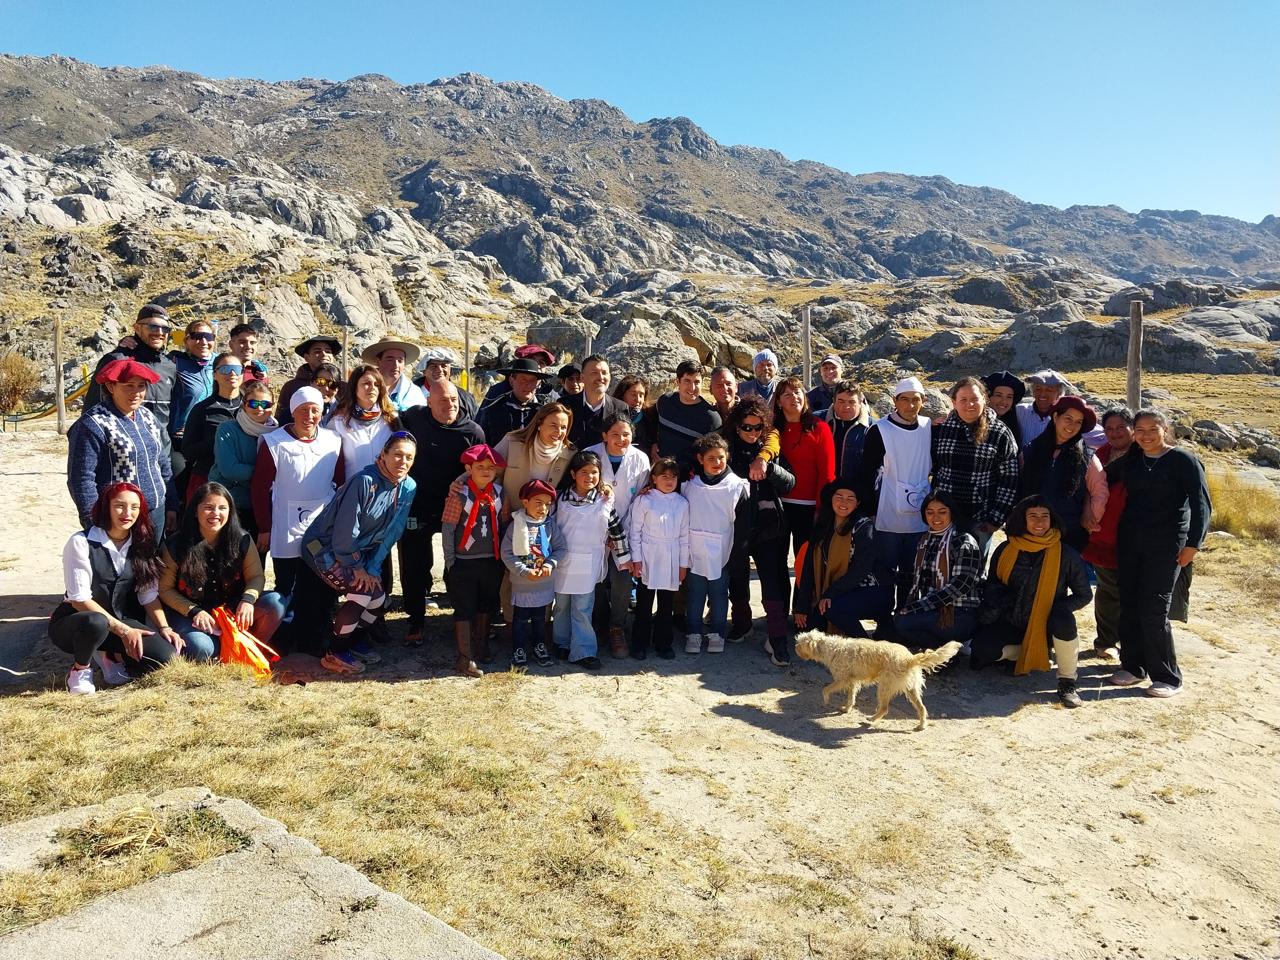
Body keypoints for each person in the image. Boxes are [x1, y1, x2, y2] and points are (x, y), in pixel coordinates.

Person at [1107, 410, 1211, 698]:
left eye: (1153, 429)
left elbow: (1201, 505)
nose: (1146, 436)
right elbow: (1102, 476)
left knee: (1154, 608)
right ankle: (1133, 667)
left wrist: (1193, 545)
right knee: (1129, 604)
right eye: (1140, 430)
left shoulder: (1183, 460)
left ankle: (1167, 677)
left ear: (1165, 429)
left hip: (1167, 545)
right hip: (1130, 542)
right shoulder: (1133, 459)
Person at [295, 432, 418, 674]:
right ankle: (336, 652)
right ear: (383, 454)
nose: (402, 462)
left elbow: (393, 531)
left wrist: (372, 567)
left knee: (378, 598)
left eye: (409, 457)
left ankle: (355, 642)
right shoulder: (363, 481)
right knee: (363, 593)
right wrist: (357, 567)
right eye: (397, 455)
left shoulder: (408, 486)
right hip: (324, 548)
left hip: (359, 553)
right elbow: (345, 531)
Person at [50, 483, 183, 694]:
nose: (127, 513)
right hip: (78, 622)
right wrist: (125, 631)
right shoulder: (81, 542)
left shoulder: (142, 543)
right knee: (96, 622)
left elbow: (147, 595)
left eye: (134, 507)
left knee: (165, 658)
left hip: (119, 620)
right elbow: (79, 600)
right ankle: (80, 670)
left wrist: (164, 628)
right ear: (106, 508)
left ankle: (110, 655)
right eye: (120, 506)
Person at [971, 497, 1093, 708]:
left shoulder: (1066, 554)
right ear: (1022, 520)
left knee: (1063, 619)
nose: (1039, 522)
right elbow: (992, 585)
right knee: (981, 653)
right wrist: (1002, 602)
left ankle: (1067, 682)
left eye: (1045, 516)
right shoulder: (1006, 549)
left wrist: (1055, 609)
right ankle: (1032, 653)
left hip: (1047, 624)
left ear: (1052, 520)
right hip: (1012, 619)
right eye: (1033, 516)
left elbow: (1084, 595)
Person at [158, 482, 287, 662]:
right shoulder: (175, 545)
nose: (216, 513)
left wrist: (247, 600)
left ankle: (248, 648)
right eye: (208, 508)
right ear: (195, 511)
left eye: (222, 508)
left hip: (231, 608)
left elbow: (256, 576)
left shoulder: (242, 539)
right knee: (201, 648)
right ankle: (220, 649)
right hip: (191, 613)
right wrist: (194, 611)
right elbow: (164, 589)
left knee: (275, 603)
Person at [399, 381, 486, 643]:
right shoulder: (414, 418)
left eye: (454, 400)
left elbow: (481, 468)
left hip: (456, 505)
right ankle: (415, 620)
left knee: (458, 563)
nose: (450, 405)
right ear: (429, 402)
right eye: (443, 400)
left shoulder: (472, 431)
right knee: (414, 563)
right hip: (418, 504)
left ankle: (462, 618)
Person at [68, 358, 177, 540]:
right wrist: (94, 522)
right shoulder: (93, 424)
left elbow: (162, 463)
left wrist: (172, 504)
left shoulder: (148, 417)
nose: (136, 393)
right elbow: (81, 478)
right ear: (111, 387)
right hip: (117, 519)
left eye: (141, 386)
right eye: (128, 386)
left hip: (156, 512)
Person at [251, 386, 344, 598]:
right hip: (286, 524)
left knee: (319, 582)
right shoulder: (274, 443)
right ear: (293, 411)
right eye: (303, 409)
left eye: (315, 410)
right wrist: (264, 527)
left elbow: (340, 483)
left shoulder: (333, 440)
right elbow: (259, 489)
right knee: (287, 583)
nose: (309, 416)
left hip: (321, 523)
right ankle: (286, 616)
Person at [725, 397, 795, 653]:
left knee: (771, 578)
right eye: (747, 427)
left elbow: (790, 483)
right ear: (737, 426)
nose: (752, 432)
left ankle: (777, 635)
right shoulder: (727, 451)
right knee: (737, 576)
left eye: (758, 427)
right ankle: (742, 623)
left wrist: (770, 469)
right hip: (737, 526)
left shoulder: (769, 450)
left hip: (768, 526)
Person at [552, 450, 631, 670]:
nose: (589, 477)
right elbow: (546, 527)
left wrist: (625, 559)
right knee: (561, 605)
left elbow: (617, 531)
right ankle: (561, 642)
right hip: (562, 562)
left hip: (588, 562)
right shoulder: (559, 499)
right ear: (573, 474)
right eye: (584, 472)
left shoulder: (604, 501)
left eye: (594, 472)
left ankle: (584, 650)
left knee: (583, 608)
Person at [930, 376, 1020, 562]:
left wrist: (995, 519)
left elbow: (1009, 480)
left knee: (973, 568)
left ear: (985, 399)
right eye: (963, 399)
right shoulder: (940, 429)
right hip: (944, 515)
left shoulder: (1000, 433)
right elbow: (932, 468)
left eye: (974, 399)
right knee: (940, 565)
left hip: (980, 518)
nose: (969, 404)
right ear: (954, 402)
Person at [793, 481, 892, 639]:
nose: (843, 502)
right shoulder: (823, 526)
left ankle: (865, 646)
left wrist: (830, 594)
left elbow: (860, 570)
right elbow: (809, 567)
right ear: (831, 499)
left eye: (850, 498)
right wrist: (802, 606)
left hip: (872, 590)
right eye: (839, 497)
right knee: (808, 626)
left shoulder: (863, 527)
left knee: (831, 608)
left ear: (858, 503)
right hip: (839, 590)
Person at [588, 413, 651, 656]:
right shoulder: (590, 454)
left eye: (626, 434)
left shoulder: (640, 459)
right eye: (615, 434)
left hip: (625, 528)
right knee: (595, 578)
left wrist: (618, 534)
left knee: (622, 580)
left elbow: (640, 498)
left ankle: (617, 627)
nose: (621, 439)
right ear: (604, 435)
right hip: (593, 529)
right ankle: (600, 623)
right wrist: (603, 532)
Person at [682, 434, 750, 657]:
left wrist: (739, 555)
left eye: (721, 457)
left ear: (727, 456)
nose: (717, 462)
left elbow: (742, 526)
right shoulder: (690, 486)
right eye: (711, 458)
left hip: (722, 552)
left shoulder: (737, 486)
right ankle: (693, 632)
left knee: (719, 594)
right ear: (700, 459)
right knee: (695, 593)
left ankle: (717, 633)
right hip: (695, 551)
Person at [443, 444, 508, 676]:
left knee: (487, 603)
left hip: (491, 559)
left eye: (491, 467)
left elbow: (504, 525)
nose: (486, 471)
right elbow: (448, 528)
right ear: (469, 469)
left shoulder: (500, 493)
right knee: (464, 607)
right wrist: (450, 561)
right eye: (480, 467)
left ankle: (482, 646)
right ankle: (464, 657)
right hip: (464, 561)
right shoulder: (459, 494)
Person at [85, 304, 179, 458]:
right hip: (122, 456)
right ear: (137, 328)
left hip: (160, 453)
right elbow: (92, 409)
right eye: (153, 326)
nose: (160, 332)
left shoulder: (169, 366)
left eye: (165, 328)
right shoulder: (116, 361)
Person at [892, 492, 982, 651]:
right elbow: (917, 577)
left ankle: (944, 655)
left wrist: (916, 608)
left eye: (942, 512)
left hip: (960, 611)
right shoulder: (926, 539)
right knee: (893, 627)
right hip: (934, 608)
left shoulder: (964, 542)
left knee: (903, 623)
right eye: (930, 512)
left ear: (952, 513)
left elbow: (959, 587)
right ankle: (940, 651)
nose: (936, 517)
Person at [1019, 396, 1107, 551]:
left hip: (1070, 535)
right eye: (1068, 418)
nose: (1072, 426)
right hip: (1030, 533)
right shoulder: (1030, 450)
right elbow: (1018, 487)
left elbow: (1099, 492)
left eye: (1078, 422)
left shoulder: (1087, 457)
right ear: (1055, 417)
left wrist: (1088, 520)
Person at [1082, 407, 1134, 659]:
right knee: (1107, 590)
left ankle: (1131, 642)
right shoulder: (1101, 454)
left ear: (1132, 428)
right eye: (1109, 429)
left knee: (1130, 592)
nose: (1115, 433)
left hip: (1133, 536)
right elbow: (1087, 487)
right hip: (1102, 535)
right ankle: (1105, 640)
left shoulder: (1143, 456)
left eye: (1121, 427)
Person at [628, 458, 689, 661]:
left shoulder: (682, 503)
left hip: (671, 556)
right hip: (648, 555)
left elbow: (684, 536)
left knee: (666, 603)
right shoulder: (644, 500)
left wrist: (682, 564)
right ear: (654, 478)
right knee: (644, 602)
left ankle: (663, 642)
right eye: (664, 476)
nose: (669, 481)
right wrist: (637, 559)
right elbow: (635, 532)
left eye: (673, 477)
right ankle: (639, 642)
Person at [769, 376, 836, 561]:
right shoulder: (773, 429)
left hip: (808, 507)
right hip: (778, 505)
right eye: (787, 395)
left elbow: (827, 473)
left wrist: (821, 508)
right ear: (779, 402)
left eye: (797, 392)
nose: (794, 397)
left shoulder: (820, 428)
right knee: (776, 561)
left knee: (804, 561)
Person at [500, 479, 565, 668]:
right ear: (525, 502)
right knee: (520, 618)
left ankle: (539, 646)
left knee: (540, 618)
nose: (543, 508)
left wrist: (550, 564)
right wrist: (523, 571)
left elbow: (560, 548)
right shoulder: (516, 525)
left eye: (547, 504)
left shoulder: (549, 525)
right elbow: (507, 553)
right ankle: (518, 648)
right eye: (538, 503)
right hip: (522, 584)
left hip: (543, 583)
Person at [209, 380, 277, 540]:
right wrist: (267, 474)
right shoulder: (227, 429)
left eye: (265, 404)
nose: (259, 409)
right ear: (244, 405)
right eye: (253, 403)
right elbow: (229, 469)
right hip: (232, 503)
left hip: (263, 506)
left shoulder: (276, 433)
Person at [181, 351, 244, 499]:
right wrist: (217, 441)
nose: (232, 373)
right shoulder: (202, 409)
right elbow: (188, 451)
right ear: (214, 374)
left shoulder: (252, 407)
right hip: (208, 480)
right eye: (225, 369)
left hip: (244, 482)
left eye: (237, 369)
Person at [327, 365, 400, 481]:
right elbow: (328, 464)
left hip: (386, 488)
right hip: (352, 488)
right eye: (366, 383)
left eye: (376, 384)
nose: (372, 388)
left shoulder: (392, 420)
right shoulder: (338, 423)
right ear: (354, 387)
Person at [653, 360, 722, 478]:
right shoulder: (664, 402)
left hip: (690, 480)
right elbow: (652, 427)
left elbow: (712, 455)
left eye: (697, 382)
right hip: (659, 474)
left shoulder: (712, 419)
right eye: (687, 381)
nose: (692, 387)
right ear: (677, 382)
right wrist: (653, 444)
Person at [168, 320, 217, 481]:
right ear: (186, 340)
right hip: (181, 438)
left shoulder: (220, 363)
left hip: (211, 435)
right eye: (197, 336)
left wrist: (259, 369)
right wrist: (127, 343)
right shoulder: (175, 362)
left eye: (208, 336)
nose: (203, 341)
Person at [478, 357, 554, 444]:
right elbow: (482, 443)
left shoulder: (545, 411)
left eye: (532, 380)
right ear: (511, 381)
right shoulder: (495, 409)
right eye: (523, 380)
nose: (528, 385)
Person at [563, 355, 630, 450]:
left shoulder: (620, 408)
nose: (600, 377)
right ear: (582, 377)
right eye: (594, 373)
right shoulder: (565, 405)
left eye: (604, 373)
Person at [478, 344, 558, 412]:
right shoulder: (497, 392)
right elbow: (481, 422)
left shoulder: (551, 396)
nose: (537, 366)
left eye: (542, 362)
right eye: (532, 361)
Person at [278, 335, 340, 422]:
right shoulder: (291, 387)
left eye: (328, 351)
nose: (324, 354)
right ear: (307, 357)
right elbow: (281, 419)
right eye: (317, 351)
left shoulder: (342, 387)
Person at [824, 379, 875, 481]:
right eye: (841, 401)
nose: (846, 407)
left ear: (860, 402)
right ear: (833, 400)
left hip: (858, 489)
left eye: (852, 402)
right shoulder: (818, 421)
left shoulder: (874, 428)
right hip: (824, 487)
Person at [362, 337, 426, 413]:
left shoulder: (414, 393)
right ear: (378, 361)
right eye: (390, 360)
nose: (396, 365)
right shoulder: (363, 388)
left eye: (400, 360)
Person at [416, 346, 479, 419]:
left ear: (449, 370)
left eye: (444, 366)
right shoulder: (412, 394)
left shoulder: (466, 398)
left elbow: (477, 422)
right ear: (424, 371)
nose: (439, 370)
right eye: (433, 366)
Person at [1015, 370, 1070, 448]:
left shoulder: (1065, 417)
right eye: (1038, 389)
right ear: (1032, 391)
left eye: (1049, 390)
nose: (1042, 394)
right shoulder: (1020, 411)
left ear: (1059, 394)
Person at [613, 374, 655, 456]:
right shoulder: (611, 417)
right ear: (622, 395)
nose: (638, 399)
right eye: (633, 394)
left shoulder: (650, 418)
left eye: (641, 395)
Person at [982, 370, 1025, 449]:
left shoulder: (1015, 422)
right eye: (998, 395)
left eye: (1009, 397)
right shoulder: (976, 422)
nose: (1004, 401)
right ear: (987, 397)